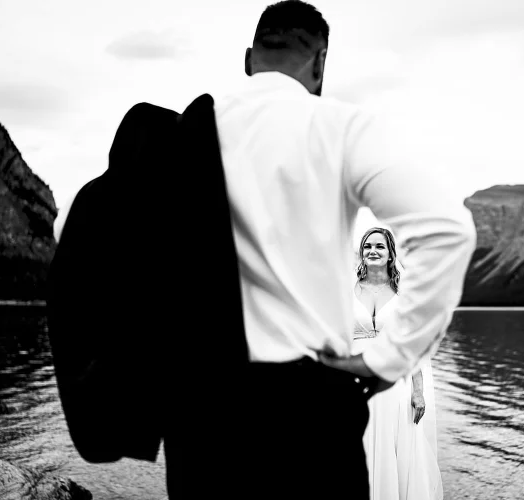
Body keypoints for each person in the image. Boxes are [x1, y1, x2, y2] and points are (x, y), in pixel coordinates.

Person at [50, 1, 477, 499]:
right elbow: (446, 231)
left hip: (203, 414)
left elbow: (100, 252)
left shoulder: (182, 137)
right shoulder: (340, 127)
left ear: (249, 58)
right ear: (320, 64)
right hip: (313, 413)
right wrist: (392, 359)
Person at [353, 227, 443, 500]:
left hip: (395, 382)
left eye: (380, 246)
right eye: (368, 246)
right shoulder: (347, 289)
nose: (373, 251)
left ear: (391, 254)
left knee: (396, 447)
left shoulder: (403, 294)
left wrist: (418, 391)